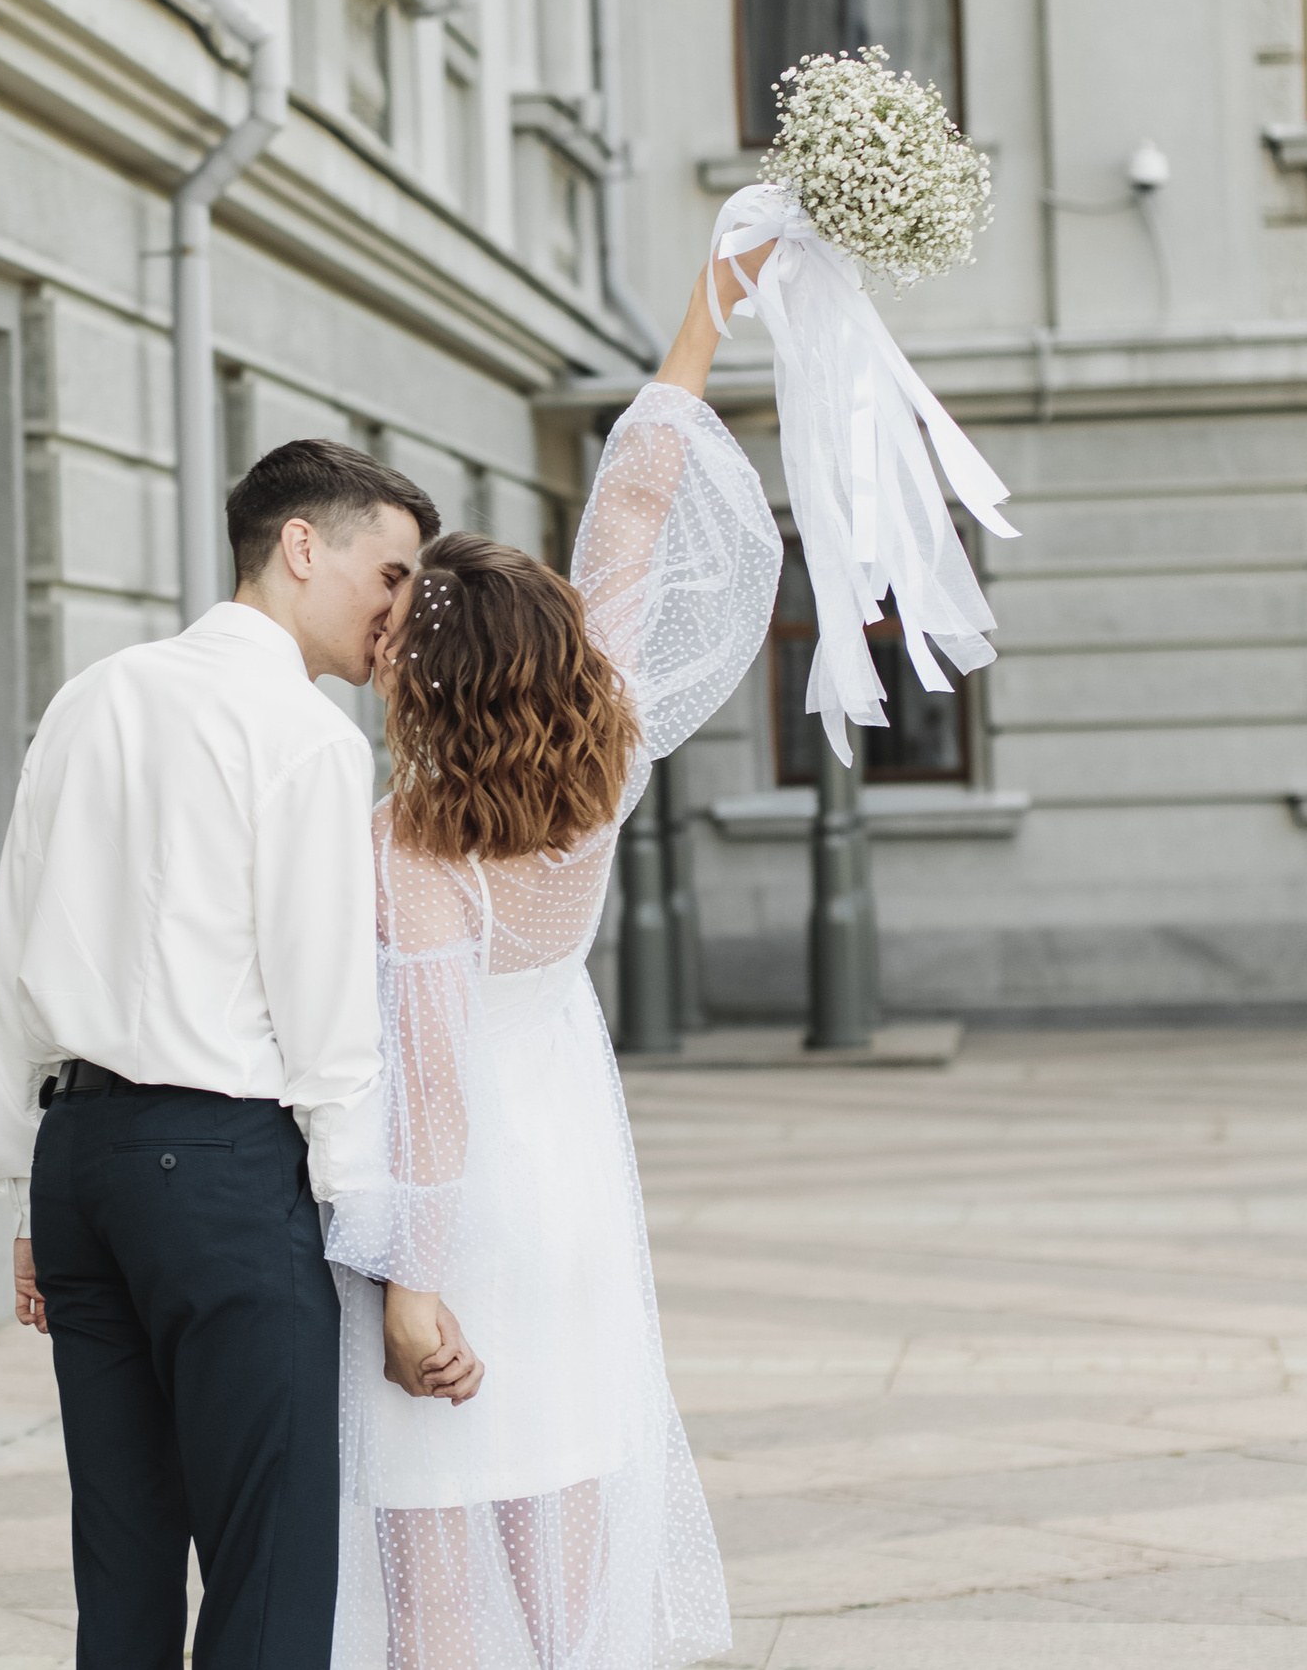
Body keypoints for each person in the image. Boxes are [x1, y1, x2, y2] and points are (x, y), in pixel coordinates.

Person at [323, 243, 783, 1666]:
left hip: (462, 1215)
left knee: (431, 1550)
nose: (378, 651)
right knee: (576, 1522)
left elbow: (427, 1075)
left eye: (394, 635)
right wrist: (711, 304)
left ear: (428, 678)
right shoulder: (605, 759)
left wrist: (409, 1285)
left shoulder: (408, 836)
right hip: (576, 1189)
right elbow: (632, 516)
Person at [0, 440, 440, 1668]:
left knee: (121, 1571)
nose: (398, 611)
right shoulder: (307, 738)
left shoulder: (92, 695)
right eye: (387, 574)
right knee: (271, 1568)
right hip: (222, 1171)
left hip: (82, 1165)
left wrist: (30, 1185)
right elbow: (328, 1026)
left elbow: (13, 954)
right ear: (301, 547)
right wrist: (381, 1248)